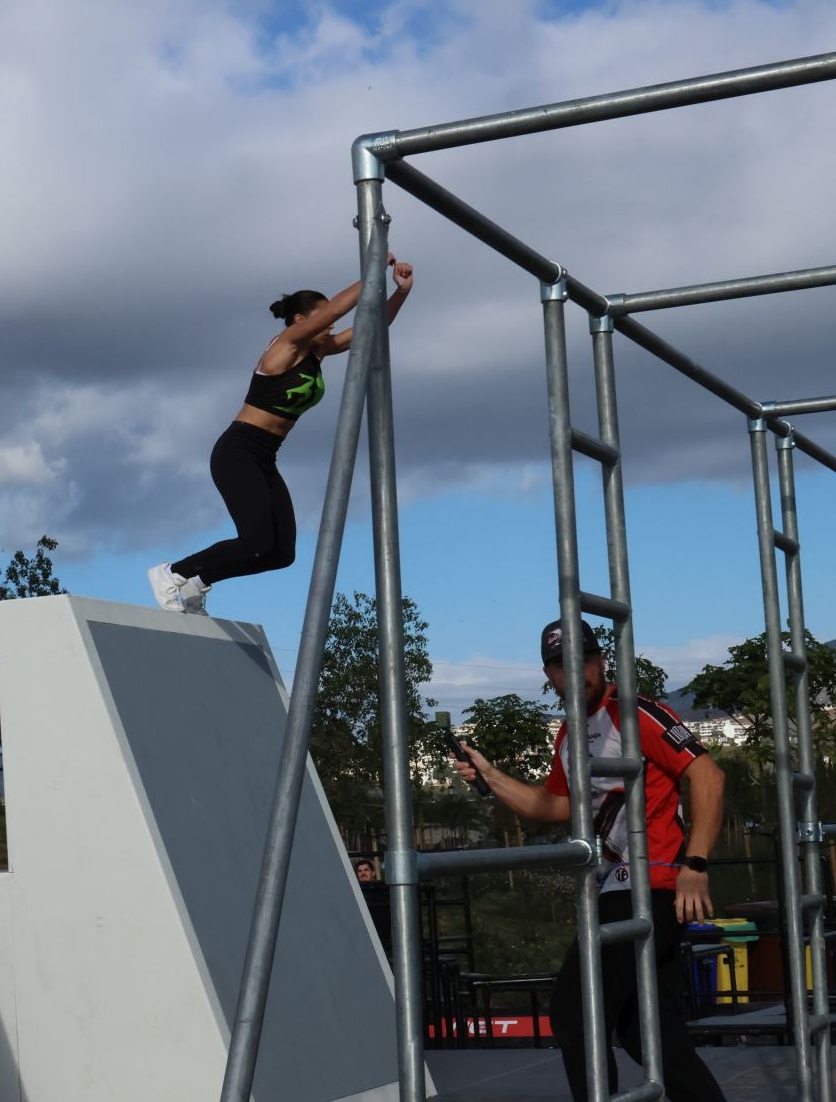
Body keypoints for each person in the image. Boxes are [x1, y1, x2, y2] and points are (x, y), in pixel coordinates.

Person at [452, 618, 727, 1102]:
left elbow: (708, 776)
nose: (574, 670)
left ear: (600, 660)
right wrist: (490, 776)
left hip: (655, 885)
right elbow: (554, 806)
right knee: (648, 1034)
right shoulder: (569, 734)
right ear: (549, 674)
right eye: (560, 664)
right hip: (616, 888)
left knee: (575, 1015)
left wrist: (697, 865)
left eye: (583, 658)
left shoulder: (634, 712)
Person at [148, 258, 415, 614]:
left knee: (279, 553)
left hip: (265, 457)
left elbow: (372, 327)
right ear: (302, 320)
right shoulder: (286, 345)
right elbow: (339, 305)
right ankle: (172, 572)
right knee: (254, 539)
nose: (332, 323)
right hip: (238, 450)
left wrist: (401, 292)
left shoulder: (319, 351)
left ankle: (198, 583)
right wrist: (374, 269)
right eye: (324, 317)